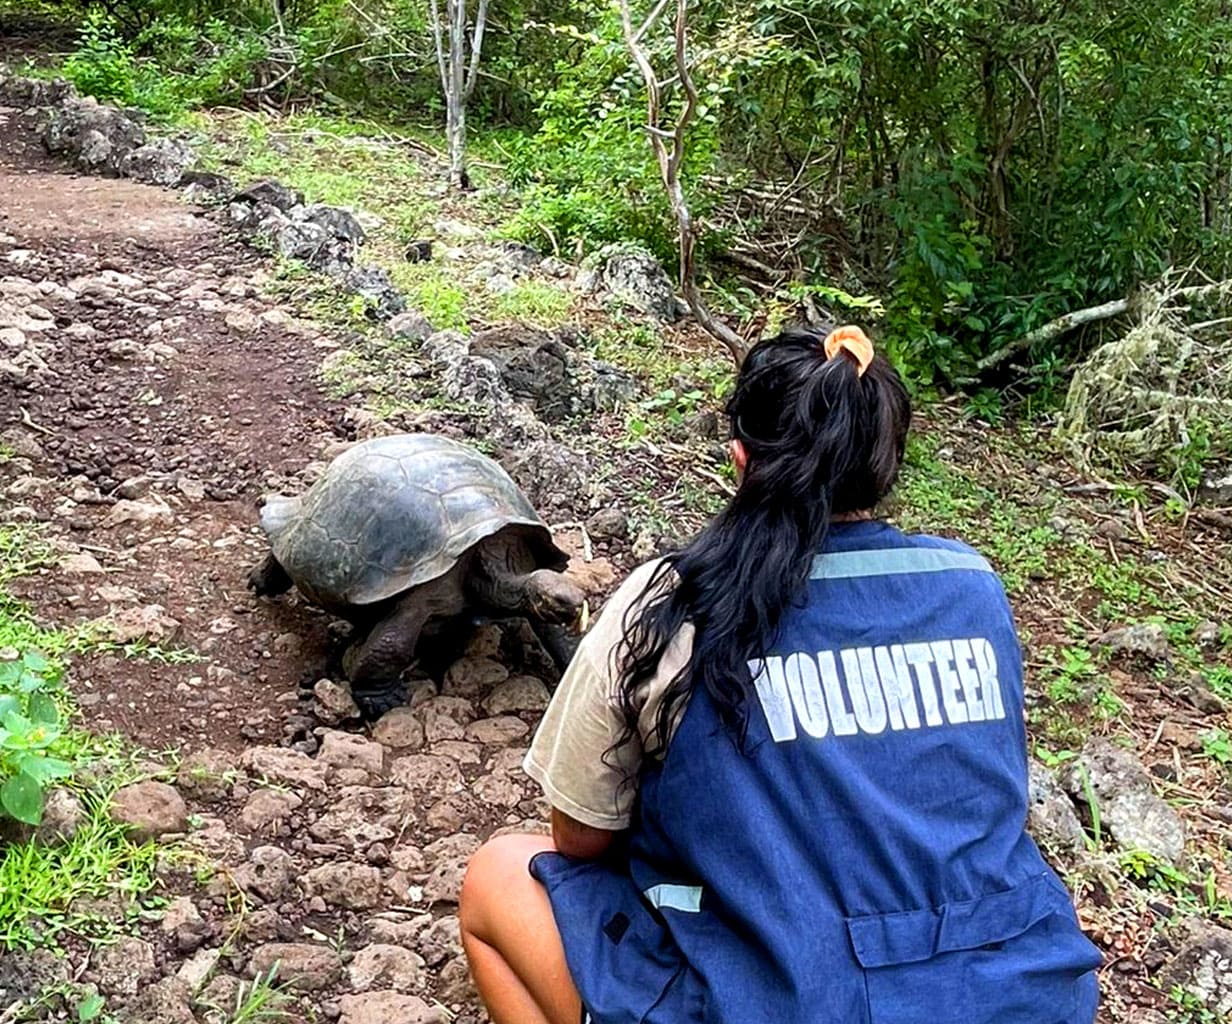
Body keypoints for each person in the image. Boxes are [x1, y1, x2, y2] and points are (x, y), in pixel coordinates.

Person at [458, 325, 1102, 1024]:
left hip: (793, 998)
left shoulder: (672, 602)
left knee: (498, 875)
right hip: (1022, 991)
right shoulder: (973, 587)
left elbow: (579, 840)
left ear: (740, 460)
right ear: (885, 463)